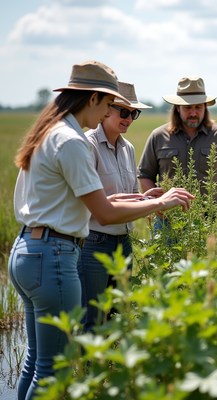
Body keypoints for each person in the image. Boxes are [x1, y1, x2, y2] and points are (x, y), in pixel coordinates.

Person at [8, 60, 194, 400]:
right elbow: (105, 213)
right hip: (54, 256)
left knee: (35, 362)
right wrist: (159, 204)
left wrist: (139, 197)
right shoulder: (74, 141)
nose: (112, 112)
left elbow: (90, 198)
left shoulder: (48, 133)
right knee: (52, 370)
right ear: (93, 99)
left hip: (27, 250)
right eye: (110, 104)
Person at [78, 81, 161, 332]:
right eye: (123, 112)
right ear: (106, 109)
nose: (129, 118)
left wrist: (148, 198)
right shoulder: (87, 144)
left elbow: (130, 195)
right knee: (92, 318)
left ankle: (110, 369)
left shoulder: (129, 148)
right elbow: (95, 205)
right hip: (94, 242)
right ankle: (88, 370)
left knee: (116, 315)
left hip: (123, 242)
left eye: (134, 113)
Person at [137, 76, 217, 200]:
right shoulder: (158, 136)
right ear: (177, 108)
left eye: (198, 107)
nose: (193, 113)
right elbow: (145, 175)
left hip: (210, 217)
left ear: (205, 107)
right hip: (168, 215)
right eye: (187, 108)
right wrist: (156, 205)